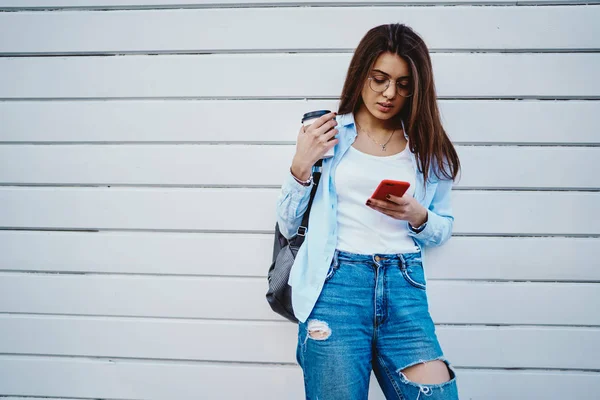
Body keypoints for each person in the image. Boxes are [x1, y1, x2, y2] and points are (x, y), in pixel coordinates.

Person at [276, 23, 461, 400]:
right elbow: (287, 222)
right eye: (379, 79)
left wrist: (416, 214)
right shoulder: (328, 134)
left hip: (404, 287)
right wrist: (300, 165)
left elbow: (442, 228)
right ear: (361, 73)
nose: (389, 93)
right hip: (336, 286)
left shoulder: (427, 147)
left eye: (404, 84)